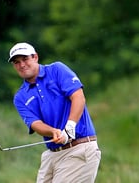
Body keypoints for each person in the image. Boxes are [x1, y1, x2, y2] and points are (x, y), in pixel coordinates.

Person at [8, 42, 101, 182]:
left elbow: (78, 97)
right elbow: (35, 123)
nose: (22, 65)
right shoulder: (20, 97)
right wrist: (53, 132)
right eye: (17, 62)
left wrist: (70, 127)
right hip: (52, 155)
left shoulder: (57, 70)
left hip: (79, 148)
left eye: (25, 59)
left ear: (35, 57)